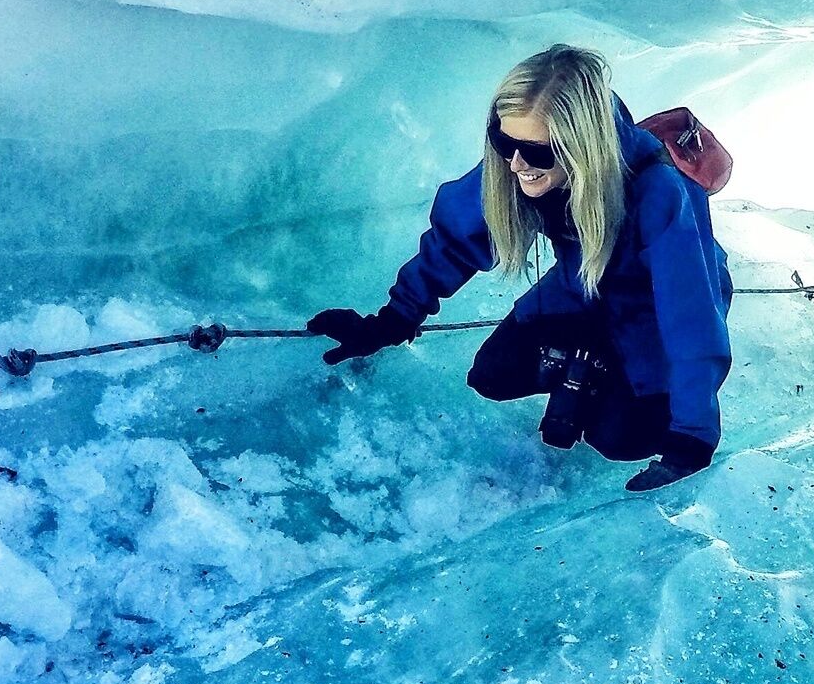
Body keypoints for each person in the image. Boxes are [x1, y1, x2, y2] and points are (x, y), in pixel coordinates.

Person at [308, 46, 733, 492]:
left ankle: (613, 381)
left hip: (651, 318)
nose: (515, 164)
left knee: (620, 440)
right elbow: (457, 237)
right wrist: (392, 320)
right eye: (503, 143)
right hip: (579, 290)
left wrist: (691, 440)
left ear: (582, 146)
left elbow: (691, 319)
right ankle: (591, 362)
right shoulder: (519, 159)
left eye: (536, 152)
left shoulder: (660, 191)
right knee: (493, 374)